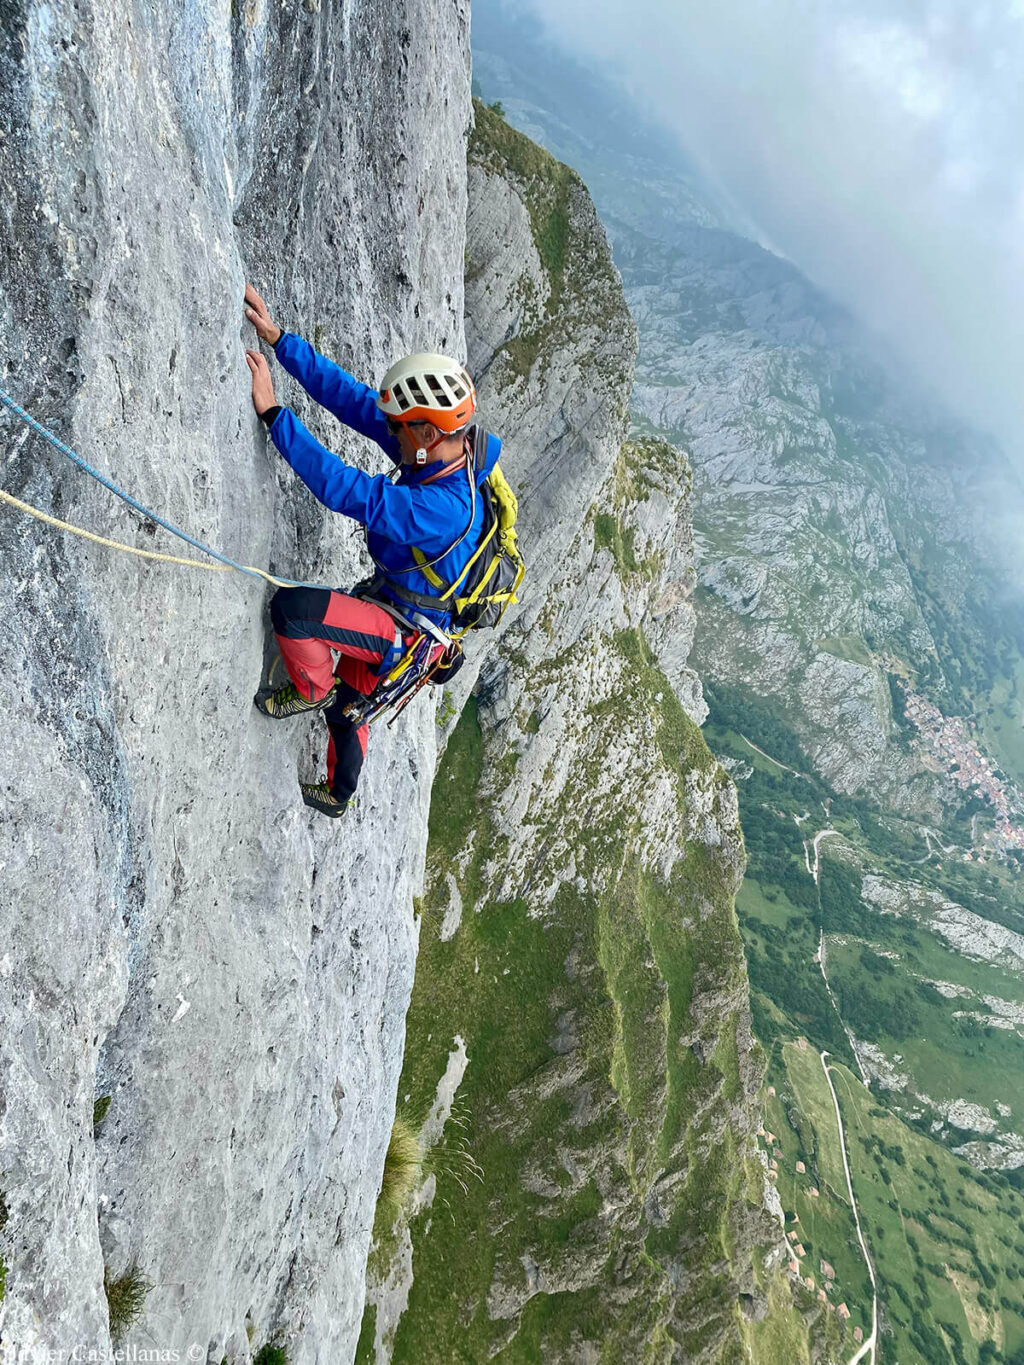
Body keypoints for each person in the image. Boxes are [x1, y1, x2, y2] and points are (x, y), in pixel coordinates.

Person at [243, 284, 500, 819]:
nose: (390, 434)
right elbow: (358, 404)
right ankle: (338, 796)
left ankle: (312, 690)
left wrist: (274, 416)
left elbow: (350, 492)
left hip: (405, 634)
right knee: (353, 701)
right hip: (405, 615)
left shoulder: (444, 507)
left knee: (294, 614)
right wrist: (280, 341)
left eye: (400, 429)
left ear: (427, 431)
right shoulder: (441, 453)